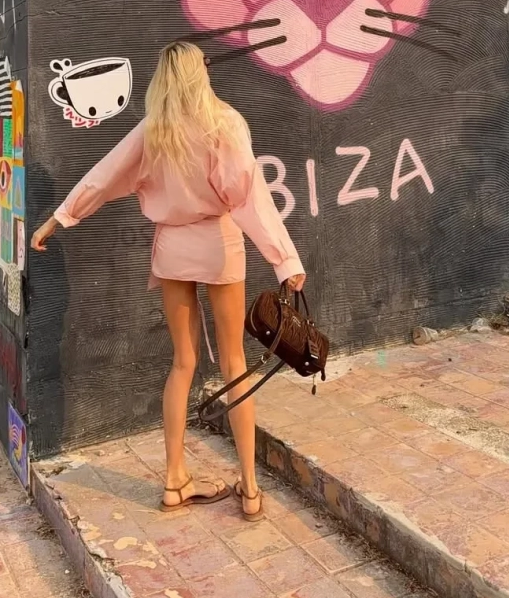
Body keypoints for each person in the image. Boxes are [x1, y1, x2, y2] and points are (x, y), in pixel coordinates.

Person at [31, 41, 305, 522]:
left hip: (172, 247)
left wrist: (59, 218)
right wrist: (285, 261)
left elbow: (103, 175)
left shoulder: (154, 129)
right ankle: (250, 486)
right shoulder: (224, 123)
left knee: (183, 363)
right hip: (219, 242)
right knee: (234, 363)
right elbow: (250, 197)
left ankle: (175, 479)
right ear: (200, 73)